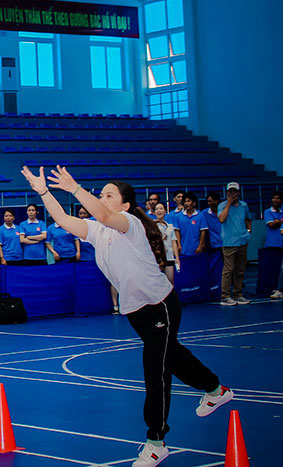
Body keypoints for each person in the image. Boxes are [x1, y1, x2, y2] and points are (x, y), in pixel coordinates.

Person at [20, 165, 233, 467]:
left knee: (156, 370)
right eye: (101, 194)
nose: (102, 198)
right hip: (135, 312)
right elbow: (64, 220)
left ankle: (156, 442)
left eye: (109, 195)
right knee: (173, 356)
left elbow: (105, 215)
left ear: (126, 205)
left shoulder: (129, 223)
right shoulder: (97, 230)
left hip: (159, 305)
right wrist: (43, 192)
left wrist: (74, 188)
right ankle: (215, 389)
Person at [218, 182, 252, 306]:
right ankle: (225, 296)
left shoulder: (244, 206)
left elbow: (248, 219)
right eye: (230, 191)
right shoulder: (222, 205)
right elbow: (221, 219)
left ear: (239, 192)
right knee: (228, 270)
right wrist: (229, 203)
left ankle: (238, 294)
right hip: (229, 242)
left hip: (242, 241)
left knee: (240, 270)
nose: (232, 194)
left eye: (234, 191)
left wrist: (248, 232)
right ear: (227, 193)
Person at [153, 203, 181, 284]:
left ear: (165, 211)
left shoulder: (170, 227)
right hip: (157, 258)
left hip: (169, 257)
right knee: (158, 283)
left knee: (170, 282)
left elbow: (173, 242)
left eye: (161, 209)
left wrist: (177, 258)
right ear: (154, 212)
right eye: (157, 209)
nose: (159, 211)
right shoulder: (152, 226)